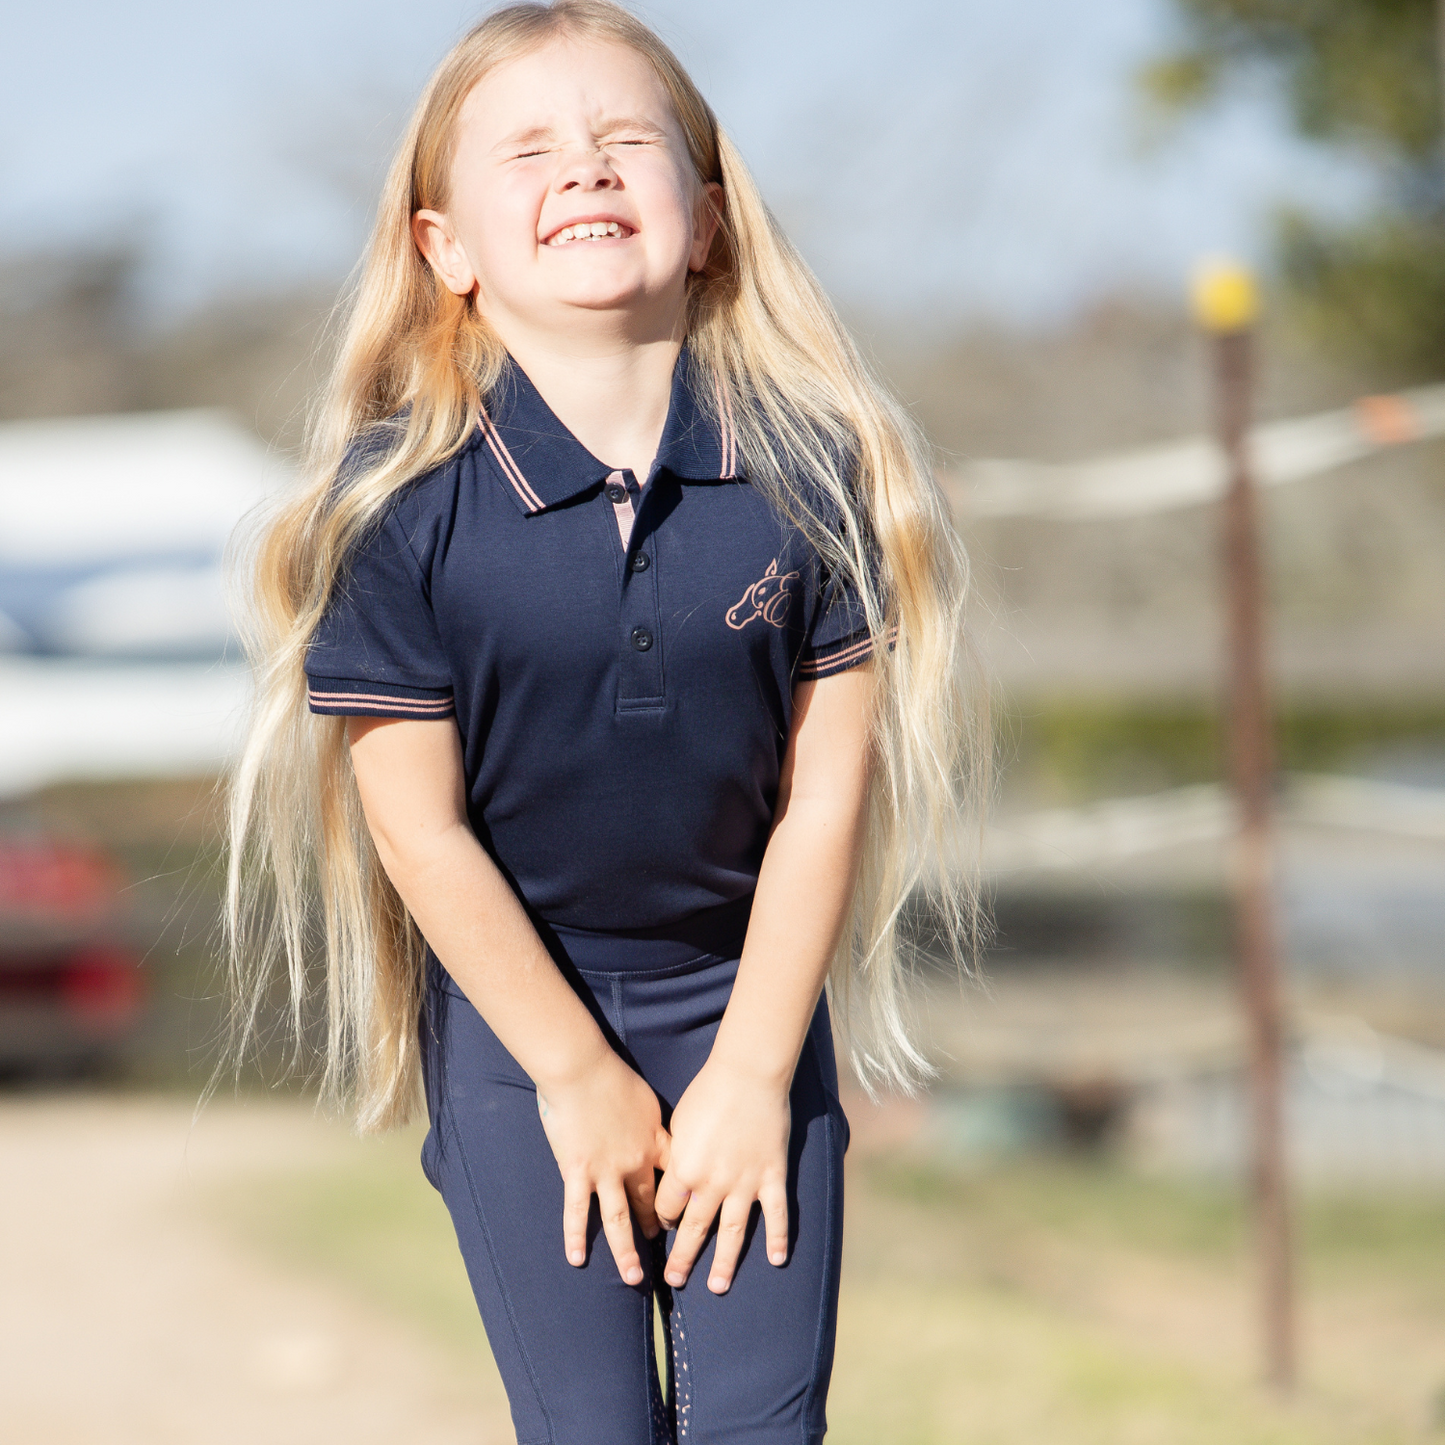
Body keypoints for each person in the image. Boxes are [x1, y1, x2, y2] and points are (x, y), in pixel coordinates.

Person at [226, 4, 985, 1442]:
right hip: (523, 1037)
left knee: (763, 1428)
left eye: (624, 137)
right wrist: (572, 1075)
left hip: (743, 1009)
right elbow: (420, 826)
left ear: (704, 220)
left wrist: (758, 1073)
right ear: (444, 248)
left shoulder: (824, 481)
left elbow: (823, 804)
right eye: (529, 148)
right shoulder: (396, 513)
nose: (582, 165)